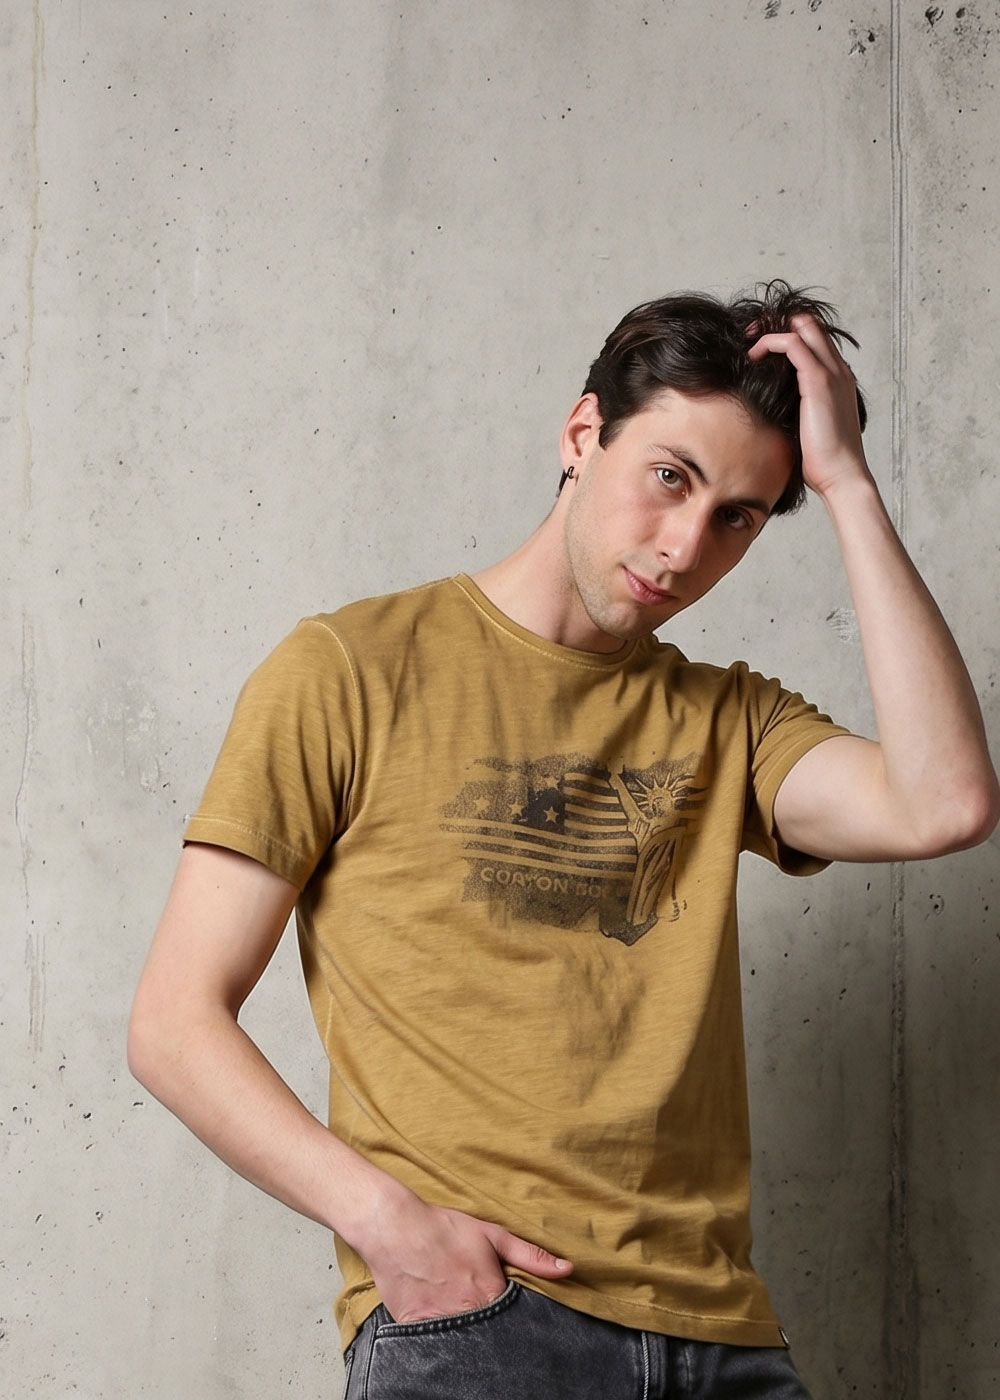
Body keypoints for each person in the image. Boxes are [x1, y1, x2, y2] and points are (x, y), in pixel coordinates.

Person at [128, 282, 999, 1400]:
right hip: (478, 1322)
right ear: (583, 433)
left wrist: (847, 486)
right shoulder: (349, 669)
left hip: (722, 1337)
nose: (686, 544)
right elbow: (172, 1022)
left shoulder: (728, 719)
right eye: (670, 476)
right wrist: (388, 1223)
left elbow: (945, 803)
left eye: (737, 514)